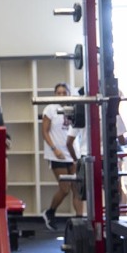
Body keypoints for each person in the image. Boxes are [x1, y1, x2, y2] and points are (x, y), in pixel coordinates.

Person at [41, 83, 82, 230]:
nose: (61, 95)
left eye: (64, 92)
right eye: (58, 93)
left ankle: (79, 221)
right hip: (56, 155)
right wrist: (54, 149)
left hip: (72, 154)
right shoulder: (50, 109)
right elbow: (44, 132)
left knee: (77, 188)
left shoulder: (74, 109)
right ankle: (50, 212)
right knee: (64, 188)